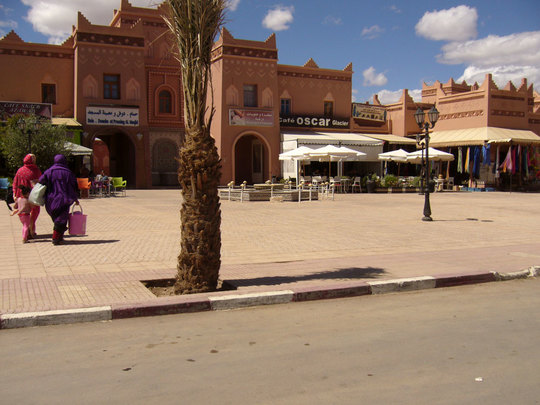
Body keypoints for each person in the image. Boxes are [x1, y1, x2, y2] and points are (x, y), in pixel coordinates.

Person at [38, 154, 80, 245]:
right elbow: (74, 186)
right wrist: (75, 198)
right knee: (60, 219)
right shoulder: (68, 173)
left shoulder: (49, 171)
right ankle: (56, 238)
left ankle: (59, 237)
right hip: (64, 200)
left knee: (57, 218)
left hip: (51, 200)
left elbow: (41, 181)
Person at [12, 154, 42, 237]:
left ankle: (27, 229)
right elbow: (40, 182)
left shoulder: (20, 170)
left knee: (25, 212)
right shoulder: (36, 170)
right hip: (34, 196)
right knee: (34, 212)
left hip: (23, 196)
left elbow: (15, 183)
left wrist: (15, 194)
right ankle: (31, 229)